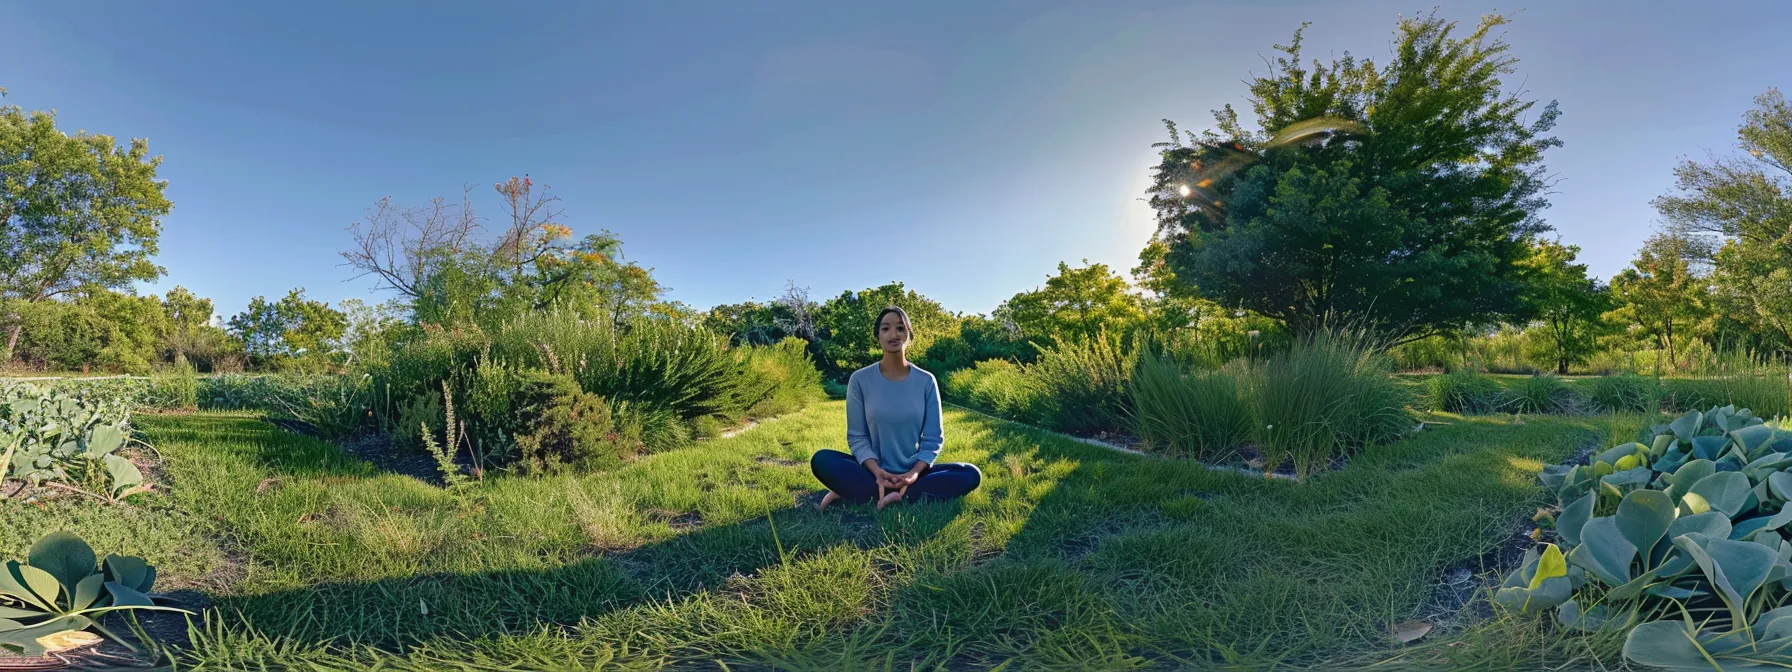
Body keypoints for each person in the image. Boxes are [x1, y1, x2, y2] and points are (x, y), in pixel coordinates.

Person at [811, 306, 982, 511]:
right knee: (822, 459)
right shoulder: (860, 379)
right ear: (878, 336)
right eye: (885, 329)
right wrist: (877, 472)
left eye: (900, 328)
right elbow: (857, 437)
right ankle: (883, 489)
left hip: (913, 473)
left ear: (909, 334)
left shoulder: (926, 381)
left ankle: (889, 491)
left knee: (970, 474)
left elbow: (933, 439)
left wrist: (913, 473)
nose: (893, 334)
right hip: (871, 471)